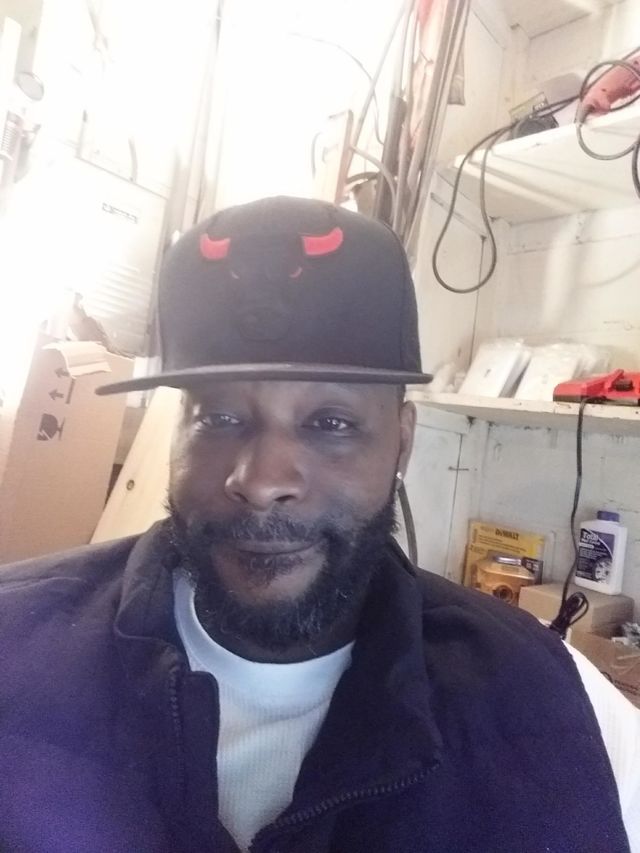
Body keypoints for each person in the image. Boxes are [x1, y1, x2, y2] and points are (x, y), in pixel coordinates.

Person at [0, 196, 638, 853]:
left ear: (402, 442)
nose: (261, 480)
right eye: (219, 417)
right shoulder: (13, 650)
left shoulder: (546, 699)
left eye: (330, 423)